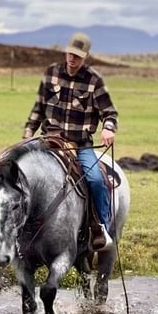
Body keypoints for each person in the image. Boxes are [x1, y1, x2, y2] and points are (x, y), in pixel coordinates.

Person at [23, 32, 119, 251]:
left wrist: (108, 128)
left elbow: (110, 112)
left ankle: (100, 228)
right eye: (70, 54)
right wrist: (28, 133)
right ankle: (14, 227)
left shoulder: (94, 80)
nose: (72, 59)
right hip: (48, 140)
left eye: (78, 56)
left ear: (86, 57)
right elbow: (38, 108)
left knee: (96, 180)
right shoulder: (51, 73)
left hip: (80, 145)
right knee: (18, 171)